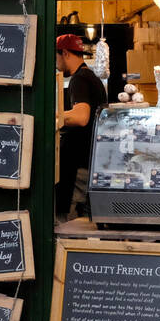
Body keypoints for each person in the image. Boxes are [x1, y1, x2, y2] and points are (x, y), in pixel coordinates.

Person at [55, 34, 106, 221]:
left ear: (65, 53)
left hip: (78, 168)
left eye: (56, 57)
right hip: (88, 163)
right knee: (84, 220)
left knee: (71, 221)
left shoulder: (80, 79)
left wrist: (55, 117)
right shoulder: (90, 77)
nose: (56, 63)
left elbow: (81, 116)